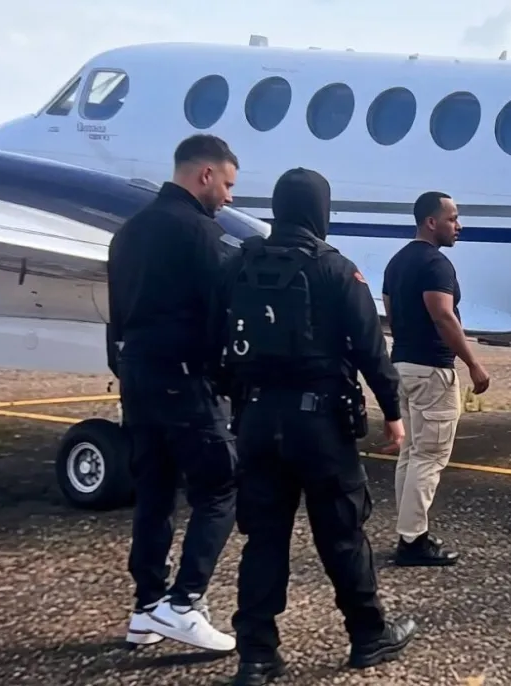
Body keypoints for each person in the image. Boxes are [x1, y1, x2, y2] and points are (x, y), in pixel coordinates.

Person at [207, 168, 418, 686]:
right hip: (320, 425)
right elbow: (372, 349)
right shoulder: (336, 270)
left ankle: (257, 654)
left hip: (256, 421)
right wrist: (392, 413)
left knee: (263, 538)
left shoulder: (236, 263)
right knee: (343, 533)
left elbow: (214, 342)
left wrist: (238, 397)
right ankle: (368, 636)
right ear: (320, 210)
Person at [106, 134, 241, 653]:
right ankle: (184, 603)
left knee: (155, 492)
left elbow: (115, 311)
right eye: (227, 184)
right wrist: (227, 380)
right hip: (183, 378)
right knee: (221, 486)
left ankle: (146, 607)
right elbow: (219, 316)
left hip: (136, 371)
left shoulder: (127, 233)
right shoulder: (201, 235)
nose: (229, 197)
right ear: (204, 174)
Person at [381, 191, 490, 567]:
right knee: (429, 458)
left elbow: (392, 314)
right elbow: (444, 316)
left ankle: (409, 530)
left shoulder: (396, 262)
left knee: (411, 455)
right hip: (432, 371)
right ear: (431, 222)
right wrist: (473, 363)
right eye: (453, 218)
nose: (458, 226)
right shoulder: (436, 265)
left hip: (403, 365)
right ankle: (412, 542)